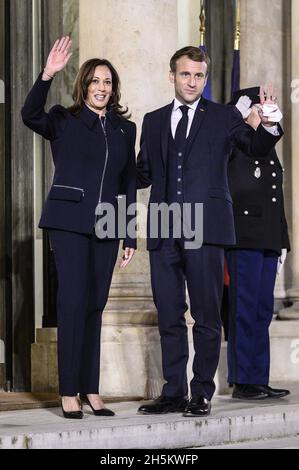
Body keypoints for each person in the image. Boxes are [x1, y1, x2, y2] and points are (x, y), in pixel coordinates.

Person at [136, 46, 283, 417]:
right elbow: (142, 173)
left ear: (205, 78)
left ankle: (201, 391)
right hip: (165, 225)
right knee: (169, 313)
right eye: (186, 74)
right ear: (172, 75)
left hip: (207, 226)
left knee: (206, 315)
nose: (192, 82)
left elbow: (254, 147)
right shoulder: (152, 121)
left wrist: (268, 123)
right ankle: (173, 391)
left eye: (199, 76)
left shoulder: (222, 117)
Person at [21, 37, 137, 419]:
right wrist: (46, 74)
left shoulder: (124, 130)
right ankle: (68, 390)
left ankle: (91, 388)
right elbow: (28, 114)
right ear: (84, 85)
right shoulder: (62, 119)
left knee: (95, 305)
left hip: (107, 226)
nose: (102, 88)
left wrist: (129, 234)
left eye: (107, 82)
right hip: (69, 223)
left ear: (113, 88)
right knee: (72, 304)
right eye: (95, 81)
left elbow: (128, 184)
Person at [226, 87, 290, 400]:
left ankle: (258, 377)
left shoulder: (267, 147)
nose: (264, 113)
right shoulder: (236, 141)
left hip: (267, 237)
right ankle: (242, 379)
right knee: (244, 308)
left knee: (263, 310)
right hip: (244, 236)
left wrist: (283, 241)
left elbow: (275, 196)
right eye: (258, 107)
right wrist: (243, 121)